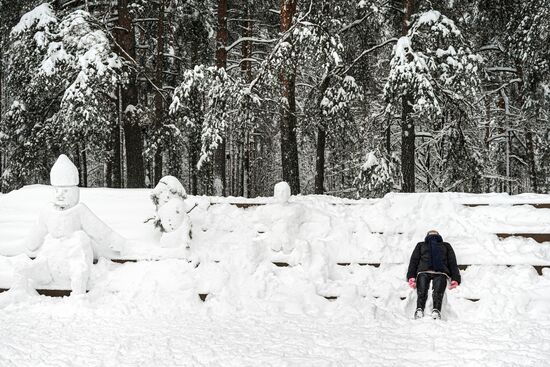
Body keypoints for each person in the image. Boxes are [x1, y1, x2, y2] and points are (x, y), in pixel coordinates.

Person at [406, 230, 461, 319]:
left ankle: (436, 310)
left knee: (438, 292)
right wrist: (411, 276)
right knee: (422, 291)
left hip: (440, 272)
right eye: (431, 233)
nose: (433, 234)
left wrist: (455, 278)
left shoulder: (446, 245)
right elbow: (414, 261)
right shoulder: (421, 245)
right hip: (424, 271)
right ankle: (419, 309)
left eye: (435, 233)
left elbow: (452, 262)